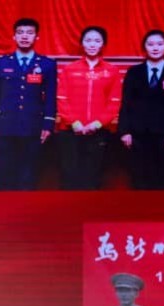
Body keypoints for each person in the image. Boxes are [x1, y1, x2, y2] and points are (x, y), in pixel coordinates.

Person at [0, 18, 57, 190]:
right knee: (4, 175)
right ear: (14, 36)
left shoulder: (47, 64)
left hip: (33, 127)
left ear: (37, 37)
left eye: (29, 33)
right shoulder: (0, 63)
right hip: (6, 126)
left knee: (29, 175)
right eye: (20, 32)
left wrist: (48, 125)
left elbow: (50, 97)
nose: (25, 36)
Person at [118, 29, 164, 190]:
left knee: (162, 180)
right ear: (144, 47)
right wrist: (124, 131)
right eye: (150, 44)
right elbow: (126, 103)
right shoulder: (134, 72)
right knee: (139, 180)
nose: (155, 48)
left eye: (160, 44)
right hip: (137, 134)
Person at [56, 26, 121, 190]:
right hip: (70, 131)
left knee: (93, 177)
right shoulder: (69, 69)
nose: (92, 44)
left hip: (98, 131)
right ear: (82, 43)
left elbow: (114, 102)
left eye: (97, 41)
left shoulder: (112, 71)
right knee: (70, 177)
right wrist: (74, 122)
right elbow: (61, 99)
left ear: (103, 44)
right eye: (88, 40)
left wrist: (97, 124)